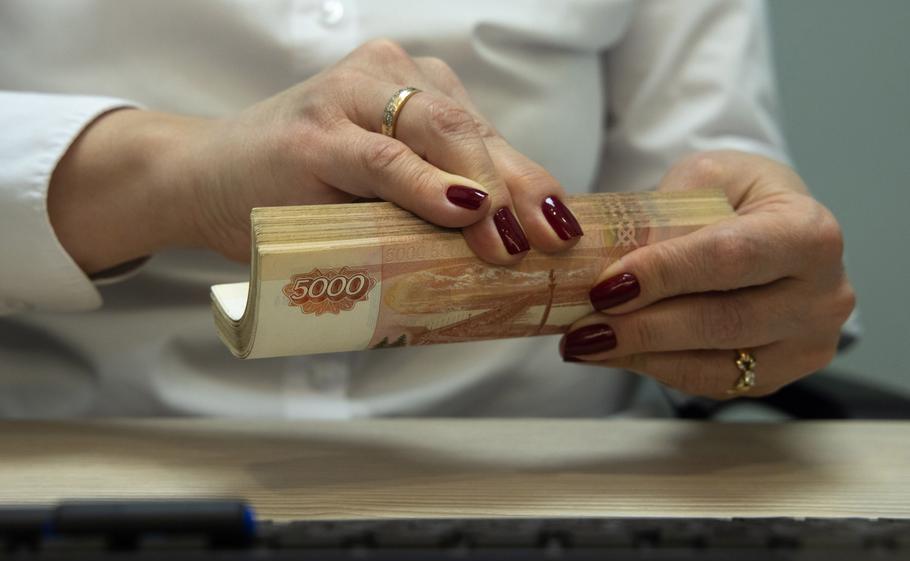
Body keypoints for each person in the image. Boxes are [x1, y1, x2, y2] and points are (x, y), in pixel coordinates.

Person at [0, 0, 855, 418]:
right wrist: (177, 173)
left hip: (550, 482)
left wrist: (747, 277)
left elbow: (706, 164)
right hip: (85, 465)